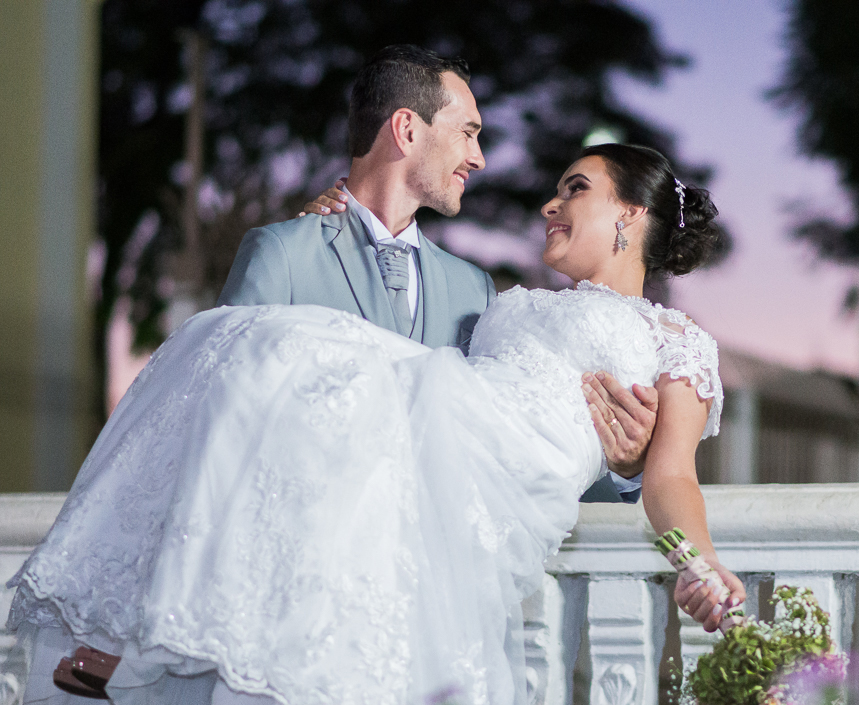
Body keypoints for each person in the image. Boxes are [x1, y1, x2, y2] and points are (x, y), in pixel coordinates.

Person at [7, 144, 743, 705]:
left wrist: (697, 563)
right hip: (441, 438)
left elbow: (669, 475)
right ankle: (138, 630)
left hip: (484, 463)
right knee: (245, 347)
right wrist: (320, 227)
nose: (550, 203)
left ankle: (140, 641)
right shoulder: (510, 301)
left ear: (631, 214)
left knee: (280, 352)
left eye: (576, 188)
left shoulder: (674, 340)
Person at [219, 44, 654, 504]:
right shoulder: (283, 254)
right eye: (467, 132)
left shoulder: (473, 289)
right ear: (407, 129)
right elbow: (224, 422)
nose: (479, 157)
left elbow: (511, 450)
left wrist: (625, 471)